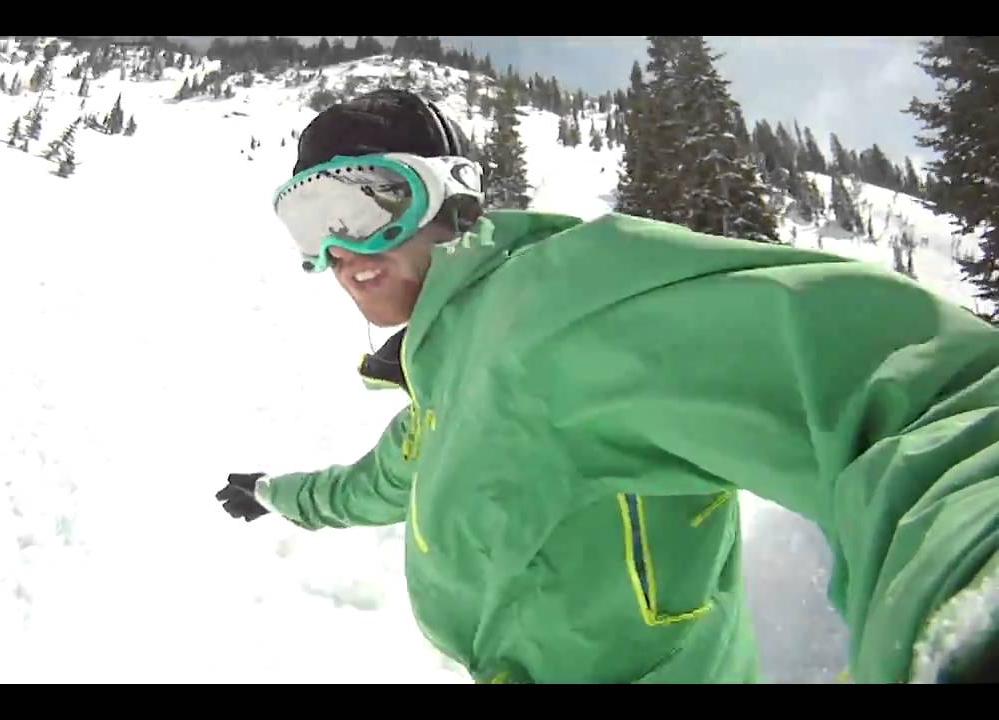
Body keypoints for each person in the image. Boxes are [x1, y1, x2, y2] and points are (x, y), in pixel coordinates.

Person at [216, 88, 999, 684]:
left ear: (451, 197)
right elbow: (368, 487)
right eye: (313, 223)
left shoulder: (559, 304)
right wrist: (274, 494)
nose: (342, 250)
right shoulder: (439, 390)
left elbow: (911, 393)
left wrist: (972, 601)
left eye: (368, 204)